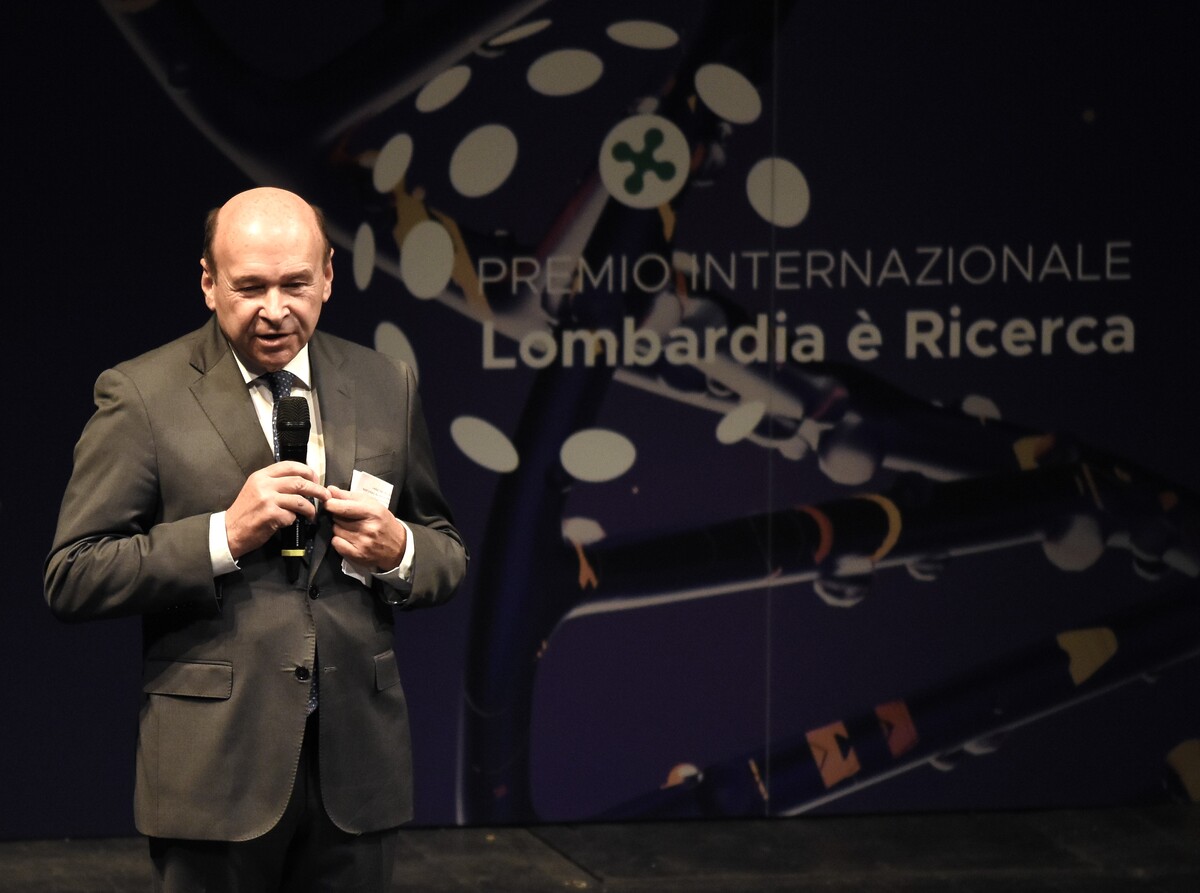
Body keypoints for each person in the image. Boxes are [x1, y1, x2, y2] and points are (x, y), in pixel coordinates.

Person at [44, 186, 468, 892]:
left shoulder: (384, 380)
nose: (275, 309)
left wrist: (399, 551)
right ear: (209, 283)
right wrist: (222, 535)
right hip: (214, 774)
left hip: (355, 771)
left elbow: (446, 549)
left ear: (329, 275)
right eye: (250, 287)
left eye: (296, 284)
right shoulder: (142, 394)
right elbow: (74, 573)